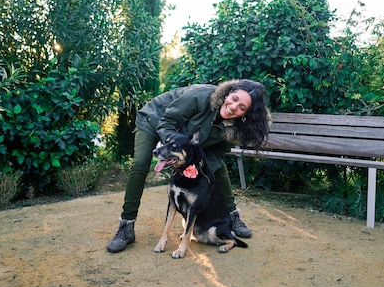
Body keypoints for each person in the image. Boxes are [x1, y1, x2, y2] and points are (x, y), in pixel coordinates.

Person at [107, 79, 272, 253]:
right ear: (229, 92)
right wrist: (177, 155)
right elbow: (167, 122)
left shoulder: (237, 127)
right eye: (234, 98)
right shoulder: (200, 96)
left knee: (218, 168)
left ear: (247, 114)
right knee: (140, 165)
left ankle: (232, 217)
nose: (233, 107)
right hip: (155, 118)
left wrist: (196, 167)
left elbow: (217, 153)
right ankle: (126, 226)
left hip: (183, 139)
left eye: (242, 107)